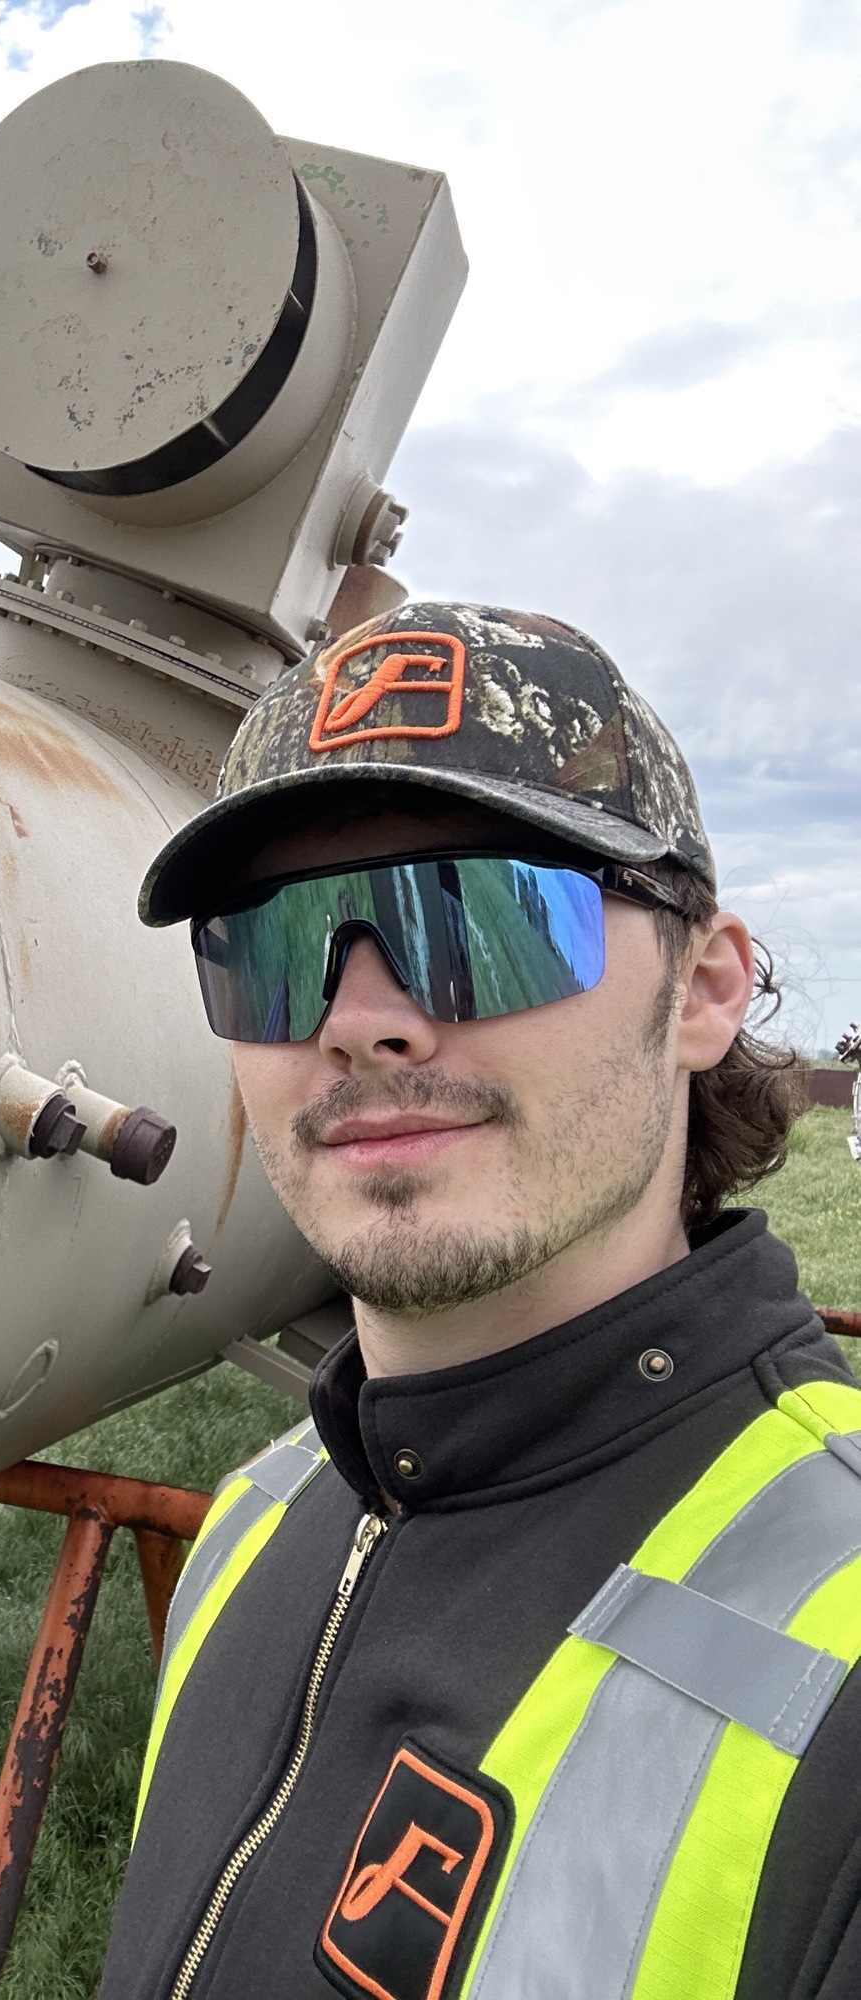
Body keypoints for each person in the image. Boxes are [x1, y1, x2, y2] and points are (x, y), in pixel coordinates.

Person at [95, 602, 861, 2000]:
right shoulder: (255, 1522)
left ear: (702, 990)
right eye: (273, 946)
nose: (360, 1020)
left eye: (482, 920)